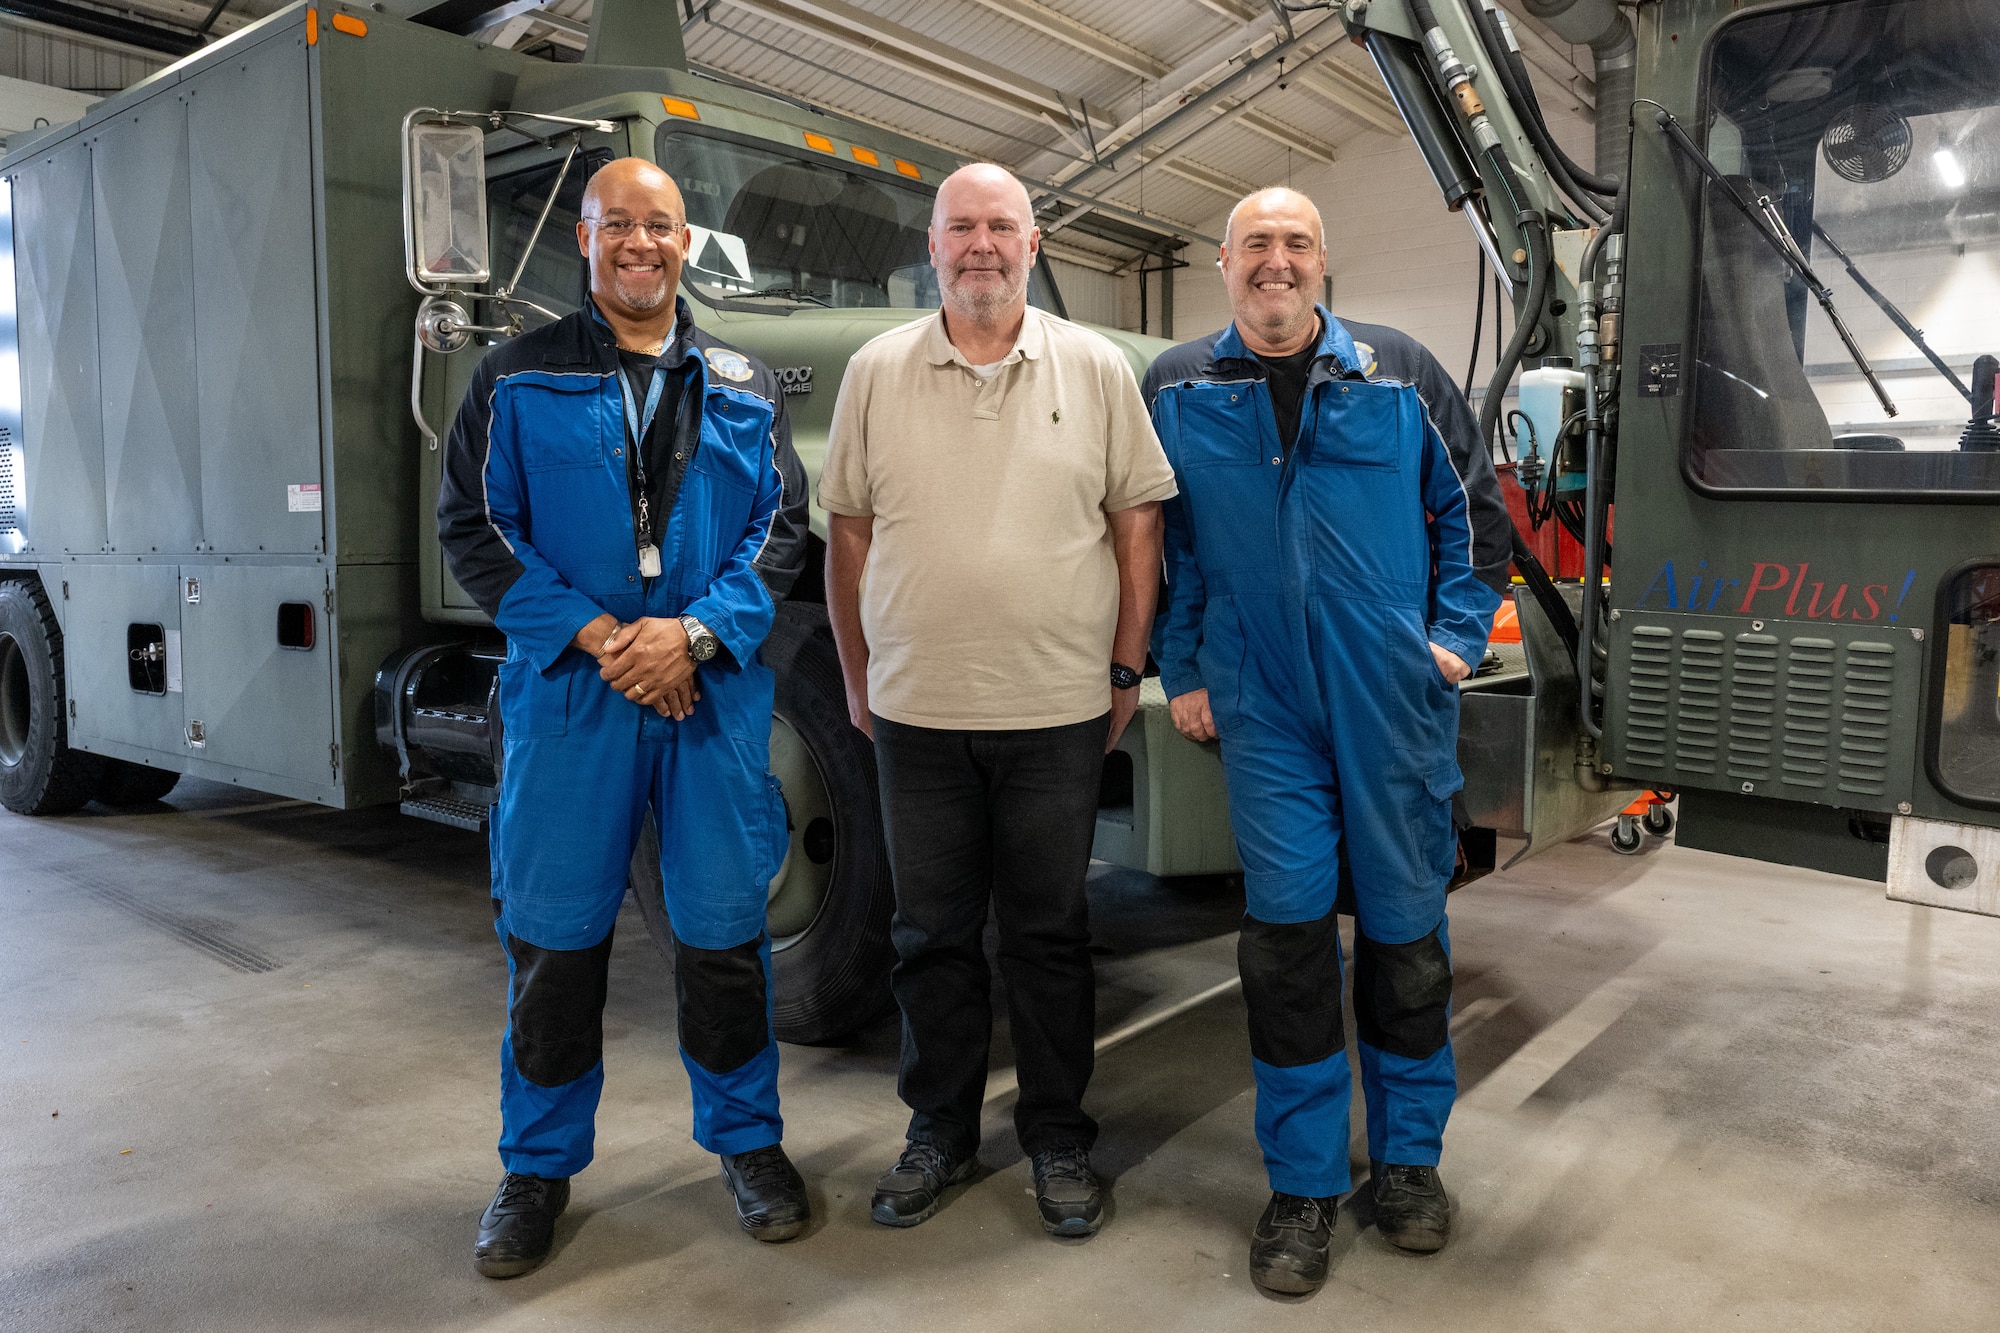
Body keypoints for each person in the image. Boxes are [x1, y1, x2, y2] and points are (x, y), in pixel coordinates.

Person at [438, 157, 812, 1277]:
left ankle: (747, 1143)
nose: (639, 242)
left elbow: (780, 532)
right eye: (617, 225)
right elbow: (476, 528)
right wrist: (608, 638)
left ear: (684, 242)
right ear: (585, 239)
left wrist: (691, 635)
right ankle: (535, 1167)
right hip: (573, 697)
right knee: (554, 941)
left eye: (659, 224)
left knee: (724, 935)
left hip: (710, 696)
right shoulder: (515, 377)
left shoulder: (746, 382)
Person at [1142, 188, 1511, 1293]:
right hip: (1263, 705)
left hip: (1388, 696)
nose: (1276, 260)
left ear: (1321, 259)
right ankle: (1301, 1185)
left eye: (1295, 242)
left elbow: (1475, 516)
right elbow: (1166, 542)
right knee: (1287, 944)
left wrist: (1451, 640)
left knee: (1405, 939)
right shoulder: (1177, 385)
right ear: (1222, 261)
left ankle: (1407, 1165)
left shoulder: (1400, 372)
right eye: (1256, 243)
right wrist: (1183, 666)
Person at [820, 163, 1176, 1239]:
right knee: (928, 935)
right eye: (962, 226)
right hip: (918, 713)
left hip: (1056, 711)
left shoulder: (1096, 366)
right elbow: (848, 534)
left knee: (1048, 934)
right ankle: (938, 1131)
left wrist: (1124, 672)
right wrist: (856, 676)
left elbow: (1138, 527)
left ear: (1032, 243)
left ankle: (1059, 1137)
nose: (981, 243)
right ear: (932, 246)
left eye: (1001, 226)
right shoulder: (875, 371)